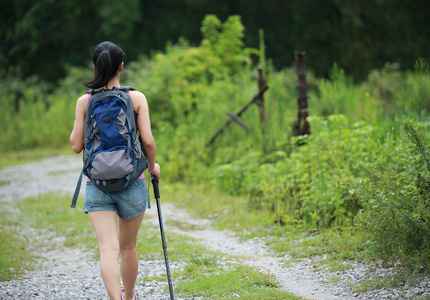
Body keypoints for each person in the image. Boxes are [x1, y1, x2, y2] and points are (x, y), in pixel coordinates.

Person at [70, 41, 160, 300]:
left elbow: (76, 146)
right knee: (128, 246)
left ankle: (116, 299)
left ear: (95, 67)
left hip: (97, 184)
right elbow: (149, 142)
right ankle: (129, 297)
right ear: (121, 67)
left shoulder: (84, 102)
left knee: (107, 249)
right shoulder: (136, 98)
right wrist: (153, 168)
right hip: (132, 180)